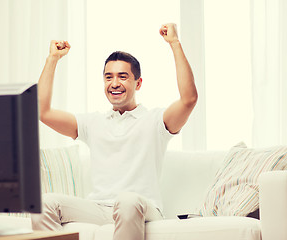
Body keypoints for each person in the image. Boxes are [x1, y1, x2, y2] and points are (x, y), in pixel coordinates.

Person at [32, 23, 198, 240]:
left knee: (127, 200)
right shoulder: (92, 123)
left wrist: (174, 43)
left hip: (142, 208)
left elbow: (189, 99)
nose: (114, 83)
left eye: (122, 76)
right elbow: (43, 112)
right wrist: (52, 59)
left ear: (138, 83)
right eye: (108, 77)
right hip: (100, 209)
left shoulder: (155, 121)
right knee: (44, 204)